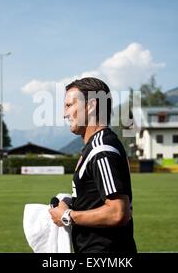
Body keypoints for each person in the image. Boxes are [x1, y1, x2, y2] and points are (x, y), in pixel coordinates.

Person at [49, 77, 137, 253]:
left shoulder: (102, 149)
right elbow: (98, 201)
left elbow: (118, 212)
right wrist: (74, 202)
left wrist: (67, 216)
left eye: (69, 105)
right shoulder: (94, 146)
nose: (64, 114)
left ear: (91, 106)